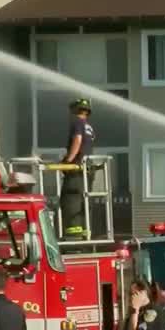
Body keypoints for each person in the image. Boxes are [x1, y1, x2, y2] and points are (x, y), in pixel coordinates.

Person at [58, 98, 96, 240]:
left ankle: (73, 235)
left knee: (70, 199)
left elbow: (78, 140)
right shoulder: (89, 127)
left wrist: (67, 161)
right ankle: (85, 232)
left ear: (75, 110)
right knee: (84, 201)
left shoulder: (77, 123)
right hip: (87, 170)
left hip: (77, 170)